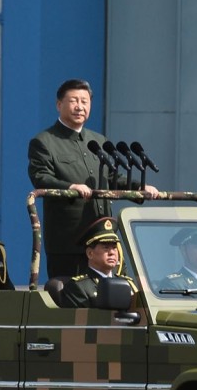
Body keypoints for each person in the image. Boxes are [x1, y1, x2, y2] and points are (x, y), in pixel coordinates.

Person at [27, 78, 157, 278]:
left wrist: (140, 188)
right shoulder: (45, 141)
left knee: (110, 297)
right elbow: (40, 177)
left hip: (103, 238)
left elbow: (112, 177)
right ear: (59, 104)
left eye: (85, 101)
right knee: (71, 297)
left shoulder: (98, 141)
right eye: (74, 101)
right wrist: (71, 186)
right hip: (70, 241)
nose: (80, 107)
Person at [60, 217, 137, 308]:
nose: (112, 252)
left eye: (114, 247)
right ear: (90, 253)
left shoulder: (128, 283)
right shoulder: (78, 287)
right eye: (106, 247)